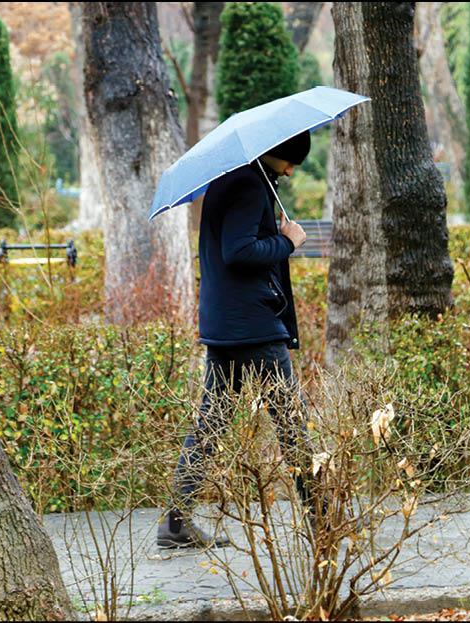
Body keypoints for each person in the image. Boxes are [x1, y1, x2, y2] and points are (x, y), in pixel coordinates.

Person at [156, 131, 315, 549]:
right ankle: (324, 518)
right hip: (253, 327)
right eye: (290, 162)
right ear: (276, 154)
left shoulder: (234, 180)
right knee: (291, 425)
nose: (292, 170)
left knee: (212, 423)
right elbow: (239, 251)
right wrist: (287, 241)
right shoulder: (247, 183)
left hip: (228, 325)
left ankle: (175, 523)